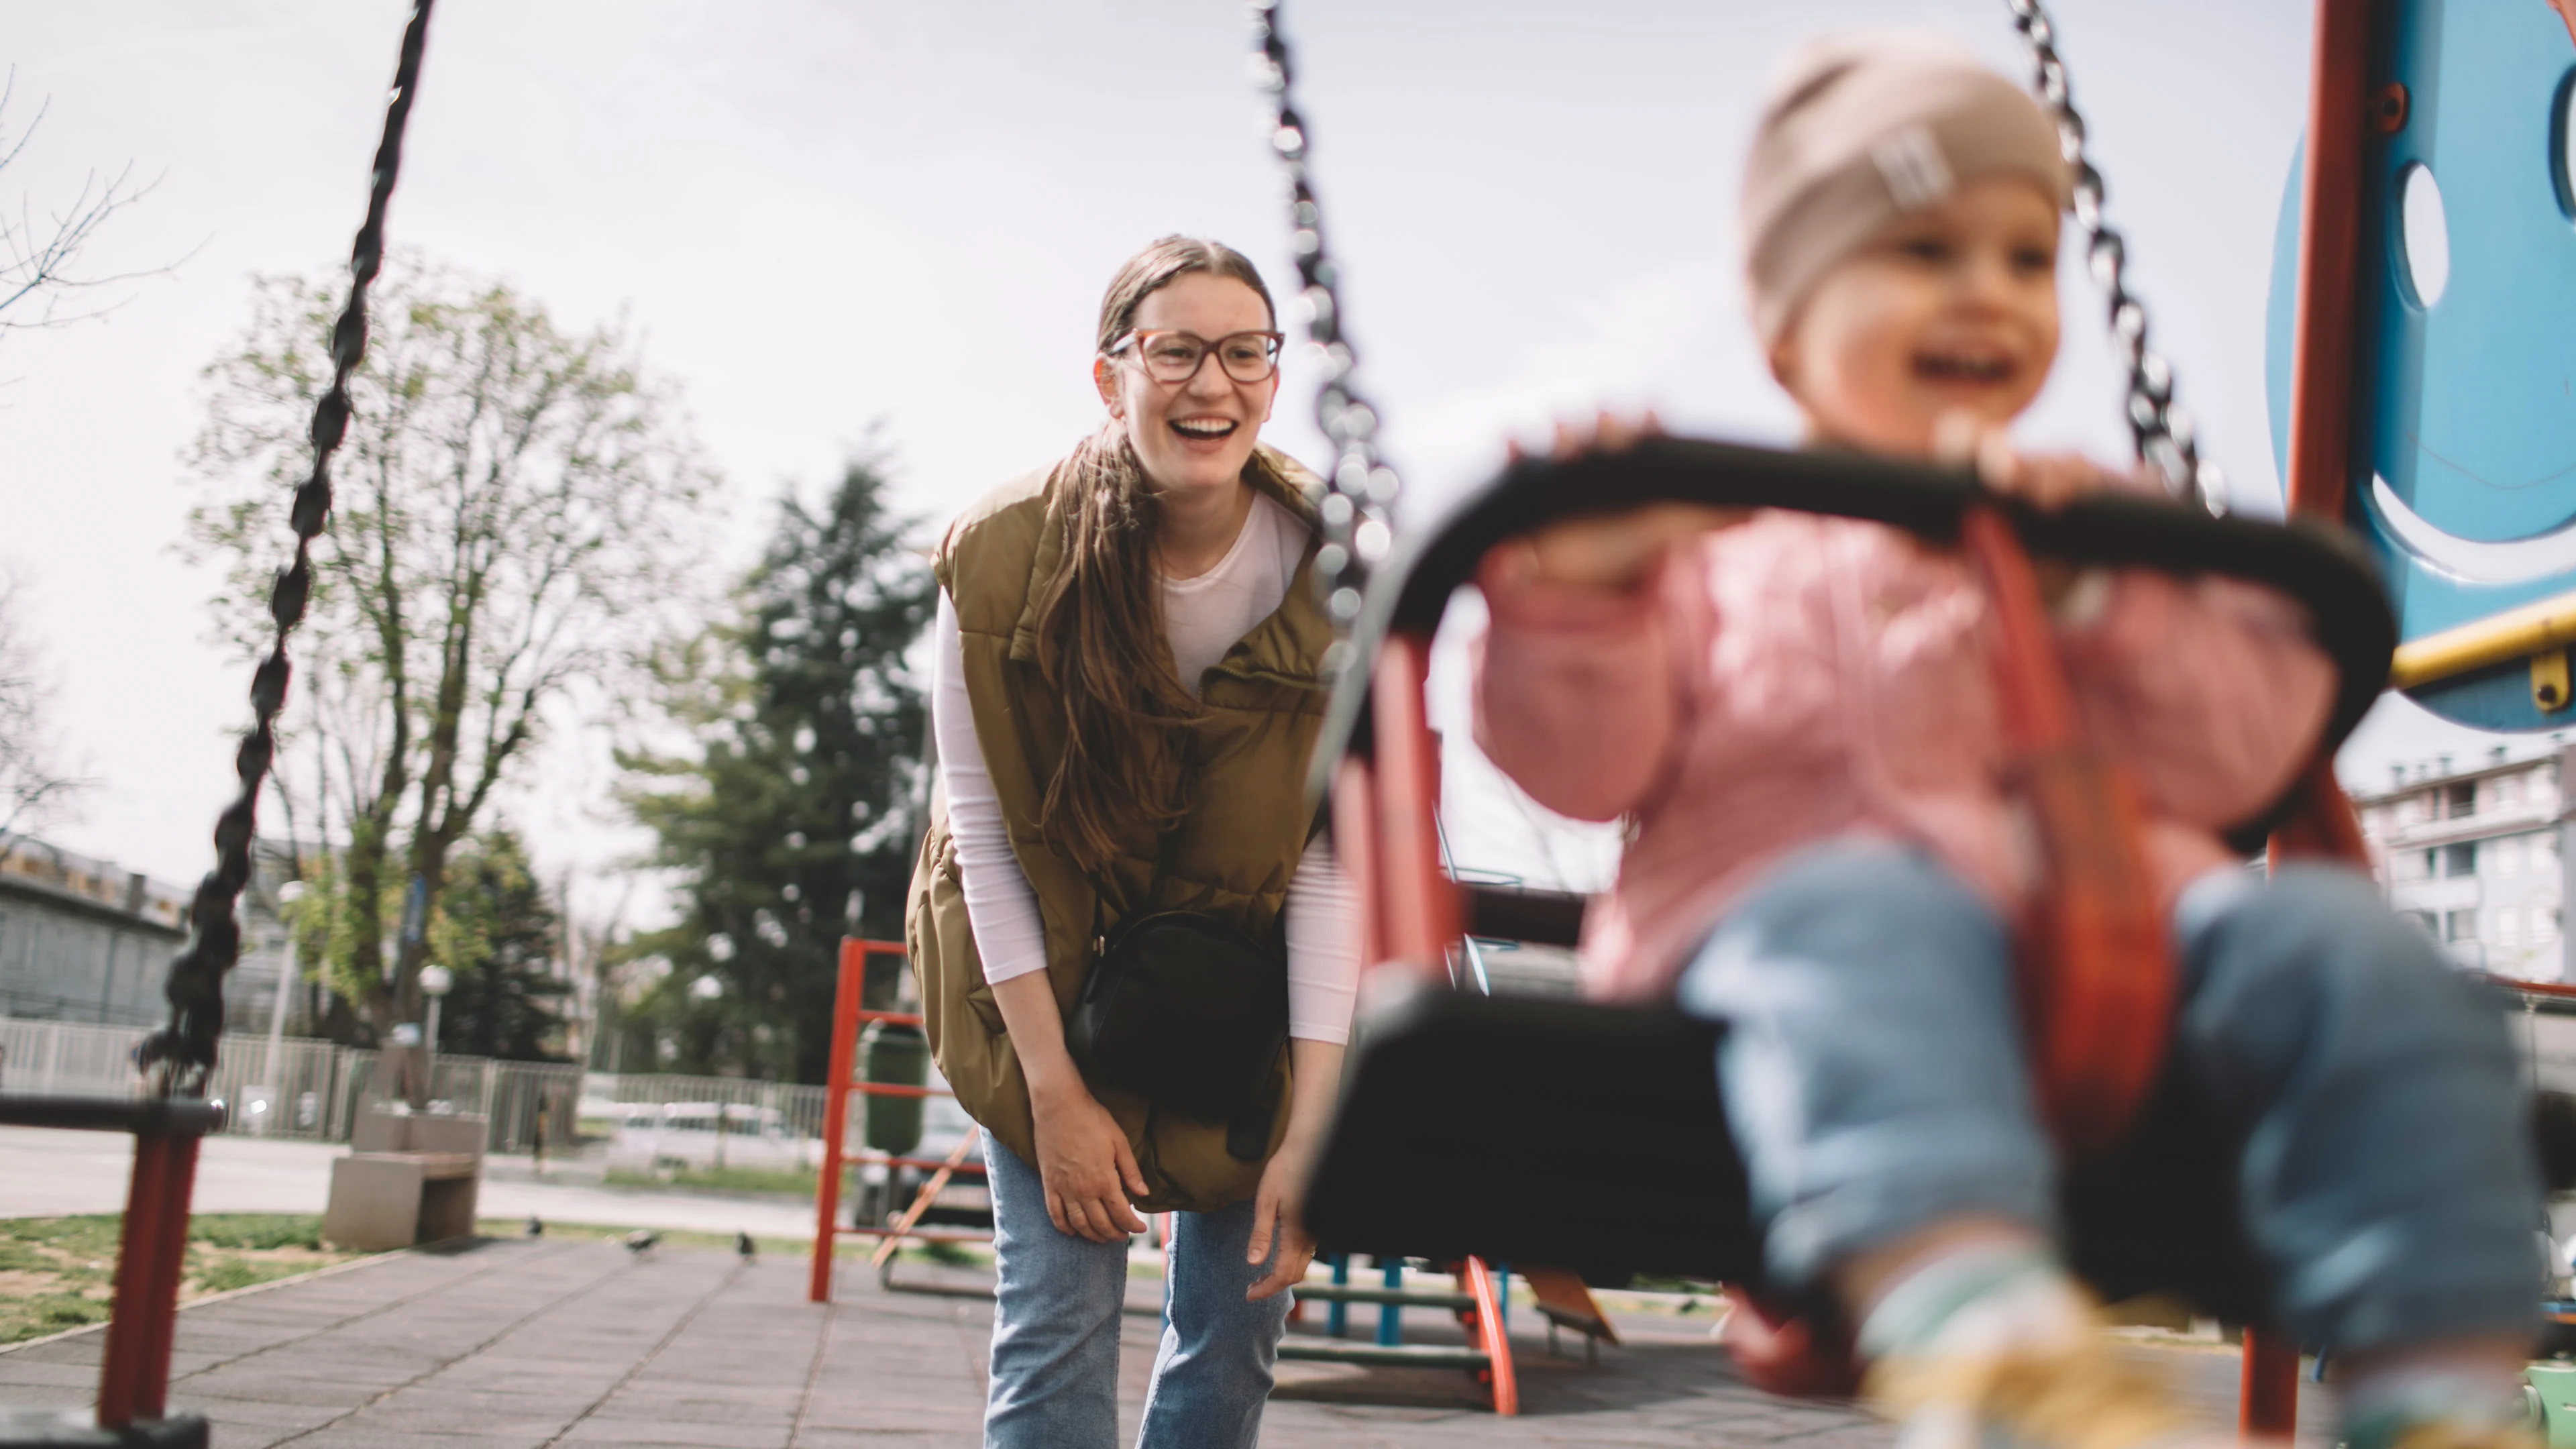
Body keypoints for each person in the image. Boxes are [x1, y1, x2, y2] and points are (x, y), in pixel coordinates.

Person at [1470, 34, 2542, 1449]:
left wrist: (2099, 592)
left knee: (2357, 954)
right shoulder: (1709, 536)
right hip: (1795, 958)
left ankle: (2445, 1382)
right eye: (1920, 251)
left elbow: (2247, 750)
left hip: (2109, 945)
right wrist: (1577, 587)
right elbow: (1579, 765)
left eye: (2025, 258)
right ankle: (1976, 1332)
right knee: (1867, 914)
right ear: (1788, 320)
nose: (1985, 290)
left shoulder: (2087, 526)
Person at [906, 234, 1359, 1449]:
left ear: (1274, 373)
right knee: (1055, 1331)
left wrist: (1314, 1125)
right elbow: (989, 845)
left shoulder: (1339, 572)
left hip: (1248, 978)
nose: (1213, 383)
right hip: (1042, 967)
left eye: (1246, 351)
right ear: (1113, 377)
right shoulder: (999, 562)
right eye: (1176, 351)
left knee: (1233, 1340)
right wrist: (1053, 1092)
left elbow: (1334, 861)